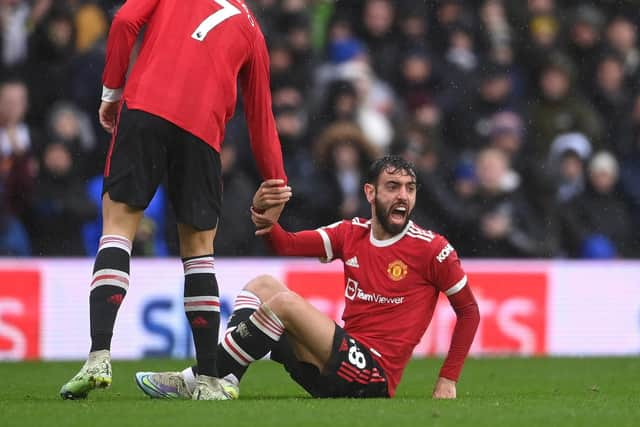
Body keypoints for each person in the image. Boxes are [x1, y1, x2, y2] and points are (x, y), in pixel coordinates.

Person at [60, 0, 288, 401]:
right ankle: (208, 381)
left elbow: (126, 21)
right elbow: (261, 115)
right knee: (199, 253)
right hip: (203, 133)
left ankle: (98, 356)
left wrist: (112, 91)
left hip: (145, 108)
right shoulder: (253, 30)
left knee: (117, 231)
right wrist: (276, 182)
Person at [135, 156, 480, 399]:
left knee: (283, 302)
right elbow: (285, 245)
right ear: (371, 193)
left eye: (410, 188)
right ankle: (226, 381)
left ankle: (197, 378)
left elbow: (469, 311)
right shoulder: (351, 233)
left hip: (372, 376)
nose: (403, 195)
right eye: (393, 186)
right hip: (332, 365)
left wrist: (448, 379)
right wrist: (263, 216)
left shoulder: (432, 248)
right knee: (262, 285)